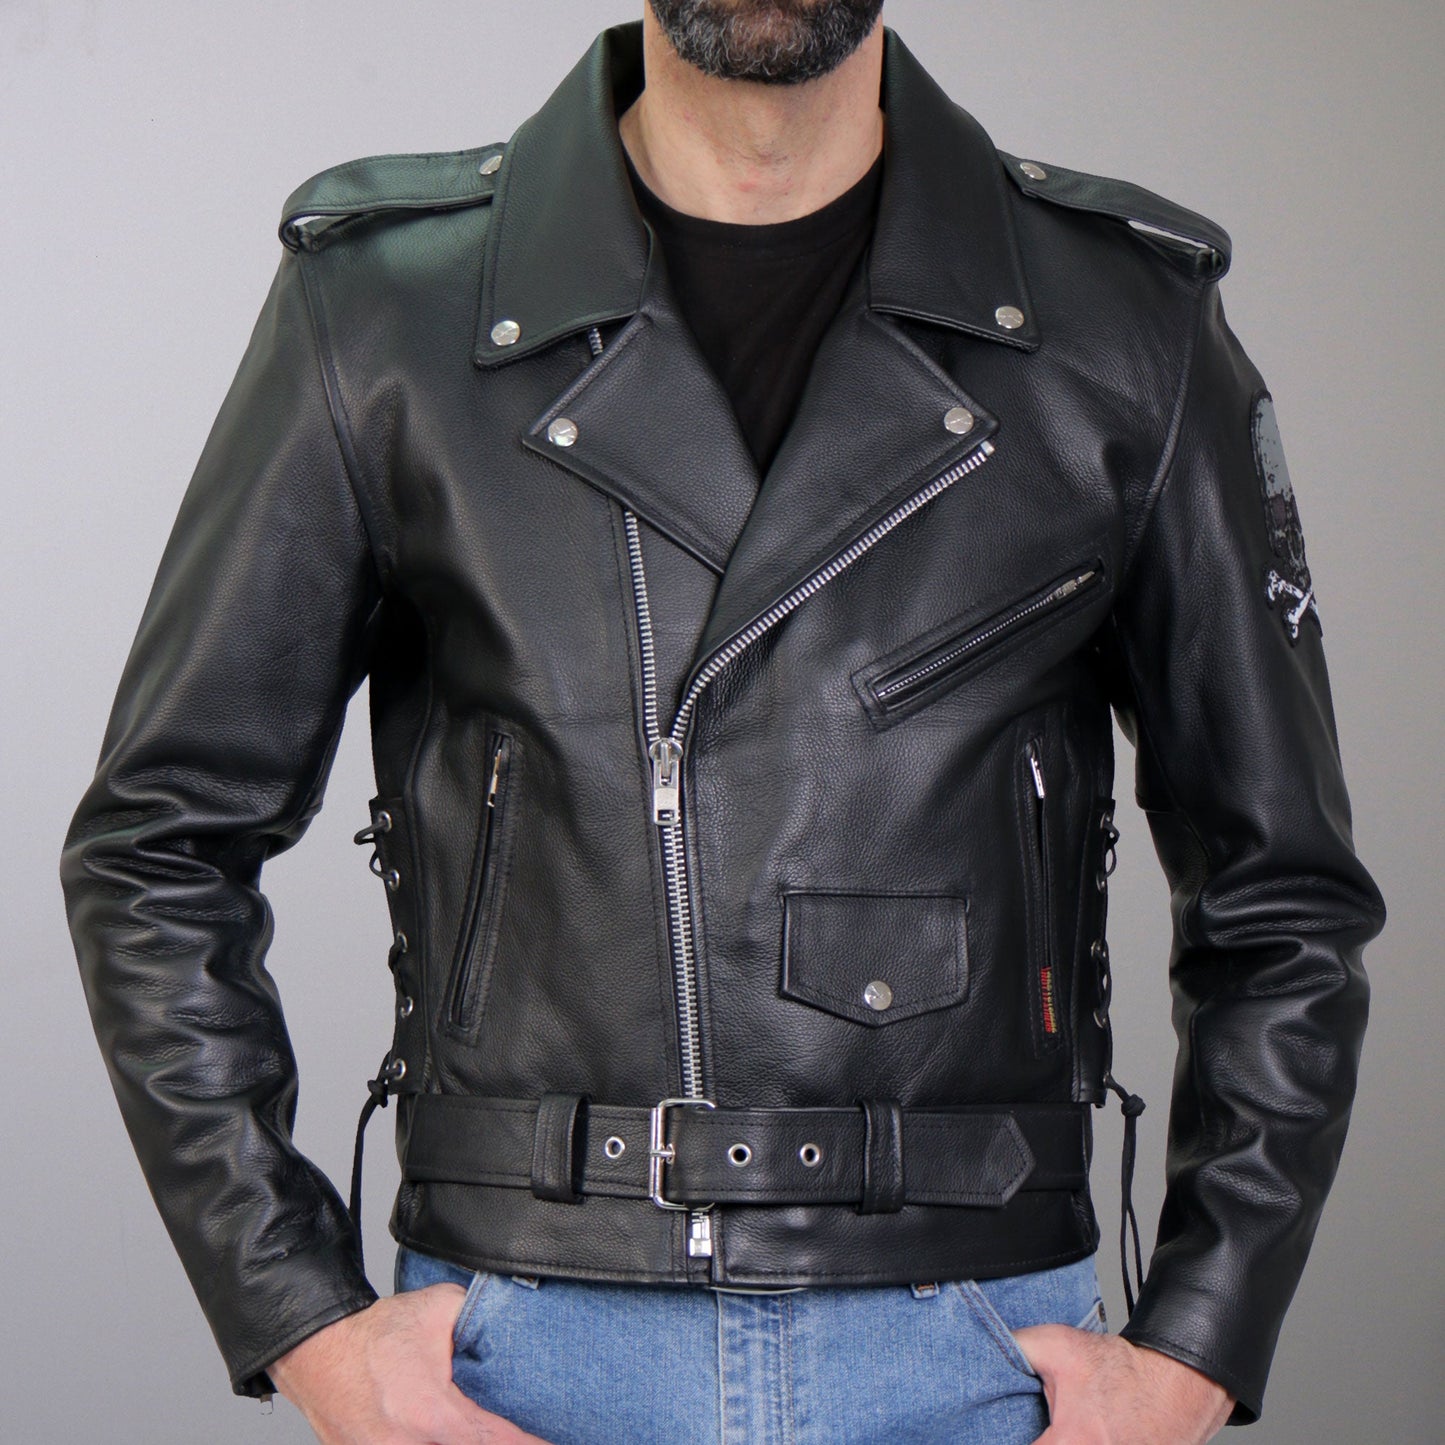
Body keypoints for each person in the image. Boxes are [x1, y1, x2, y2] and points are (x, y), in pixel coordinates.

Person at [60, 3, 1385, 1442]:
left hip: (973, 1349)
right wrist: (298, 1312)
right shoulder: (388, 309)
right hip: (525, 1341)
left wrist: (1197, 1341)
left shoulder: (1122, 318)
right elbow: (158, 844)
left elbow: (1281, 891)